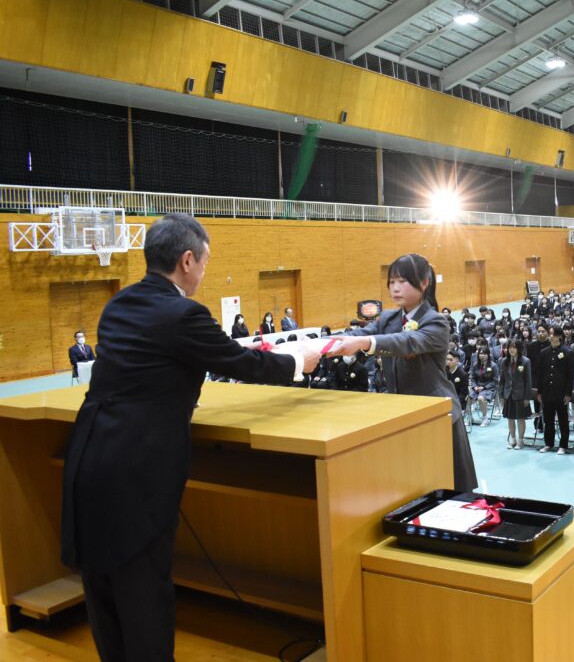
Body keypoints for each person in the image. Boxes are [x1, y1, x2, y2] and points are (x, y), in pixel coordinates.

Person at [60, 213, 323, 662]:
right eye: (203, 262)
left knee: (103, 589)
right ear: (187, 260)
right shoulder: (184, 313)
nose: (202, 271)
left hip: (88, 455)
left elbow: (146, 368)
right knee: (144, 594)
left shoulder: (120, 304)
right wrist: (300, 361)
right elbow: (243, 365)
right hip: (135, 469)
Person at [330, 253, 477, 491]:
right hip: (403, 415)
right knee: (412, 489)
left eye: (403, 281)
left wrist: (365, 343)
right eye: (391, 282)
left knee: (447, 491)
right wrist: (322, 344)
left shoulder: (436, 322)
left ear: (424, 283)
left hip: (437, 414)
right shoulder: (388, 317)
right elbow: (358, 334)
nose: (395, 288)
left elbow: (405, 341)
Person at [535, 326, 574, 454]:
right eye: (550, 334)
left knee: (563, 420)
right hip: (547, 391)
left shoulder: (567, 352)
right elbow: (540, 374)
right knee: (548, 419)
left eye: (553, 334)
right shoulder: (544, 352)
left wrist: (568, 393)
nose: (551, 336)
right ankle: (549, 443)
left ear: (559, 336)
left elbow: (570, 375)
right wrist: (539, 392)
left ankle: (563, 445)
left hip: (561, 392)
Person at [498, 339, 532, 449]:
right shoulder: (504, 361)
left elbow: (528, 381)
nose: (511, 350)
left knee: (520, 419)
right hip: (508, 394)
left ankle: (520, 440)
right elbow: (502, 380)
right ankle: (513, 440)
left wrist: (527, 397)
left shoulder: (525, 361)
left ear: (519, 349)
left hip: (520, 395)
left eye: (514, 347)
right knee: (510, 418)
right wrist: (501, 395)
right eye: (510, 347)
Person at [469, 349, 497, 424]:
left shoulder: (493, 365)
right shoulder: (475, 365)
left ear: (488, 355)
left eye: (484, 354)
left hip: (489, 388)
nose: (482, 355)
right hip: (476, 388)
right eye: (481, 354)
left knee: (480, 398)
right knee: (467, 397)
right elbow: (472, 378)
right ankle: (470, 417)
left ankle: (485, 418)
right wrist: (474, 386)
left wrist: (484, 387)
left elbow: (495, 381)